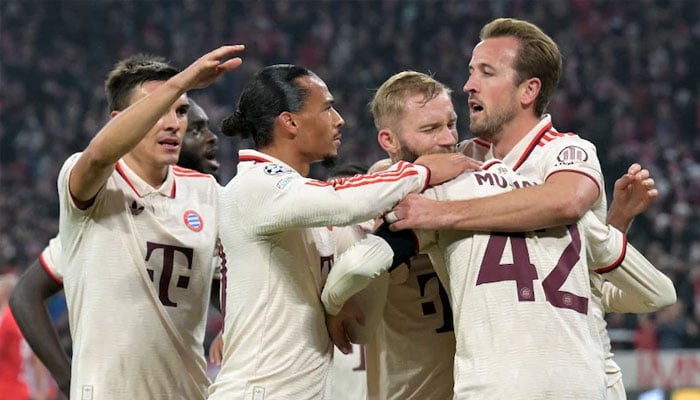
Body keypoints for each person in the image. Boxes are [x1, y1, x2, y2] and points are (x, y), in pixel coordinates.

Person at [386, 18, 675, 399]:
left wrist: (438, 214)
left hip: (580, 371)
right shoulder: (465, 159)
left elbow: (565, 201)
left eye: (486, 73)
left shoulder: (566, 152)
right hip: (496, 370)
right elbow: (392, 171)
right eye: (471, 72)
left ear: (528, 90)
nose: (468, 85)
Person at [209, 64, 472, 399]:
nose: (339, 120)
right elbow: (346, 202)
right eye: (326, 108)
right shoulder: (255, 186)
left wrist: (335, 302)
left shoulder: (303, 205)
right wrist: (419, 172)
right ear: (290, 122)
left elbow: (358, 288)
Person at [52, 46, 243, 400]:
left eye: (181, 110)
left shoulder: (207, 193)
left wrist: (234, 323)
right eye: (156, 110)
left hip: (188, 392)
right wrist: (183, 81)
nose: (173, 123)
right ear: (118, 120)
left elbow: (241, 273)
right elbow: (97, 156)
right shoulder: (92, 179)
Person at [9, 98, 226, 397]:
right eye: (197, 130)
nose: (210, 137)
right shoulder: (107, 213)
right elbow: (25, 293)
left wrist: (235, 325)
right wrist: (67, 377)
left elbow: (226, 291)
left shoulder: (213, 204)